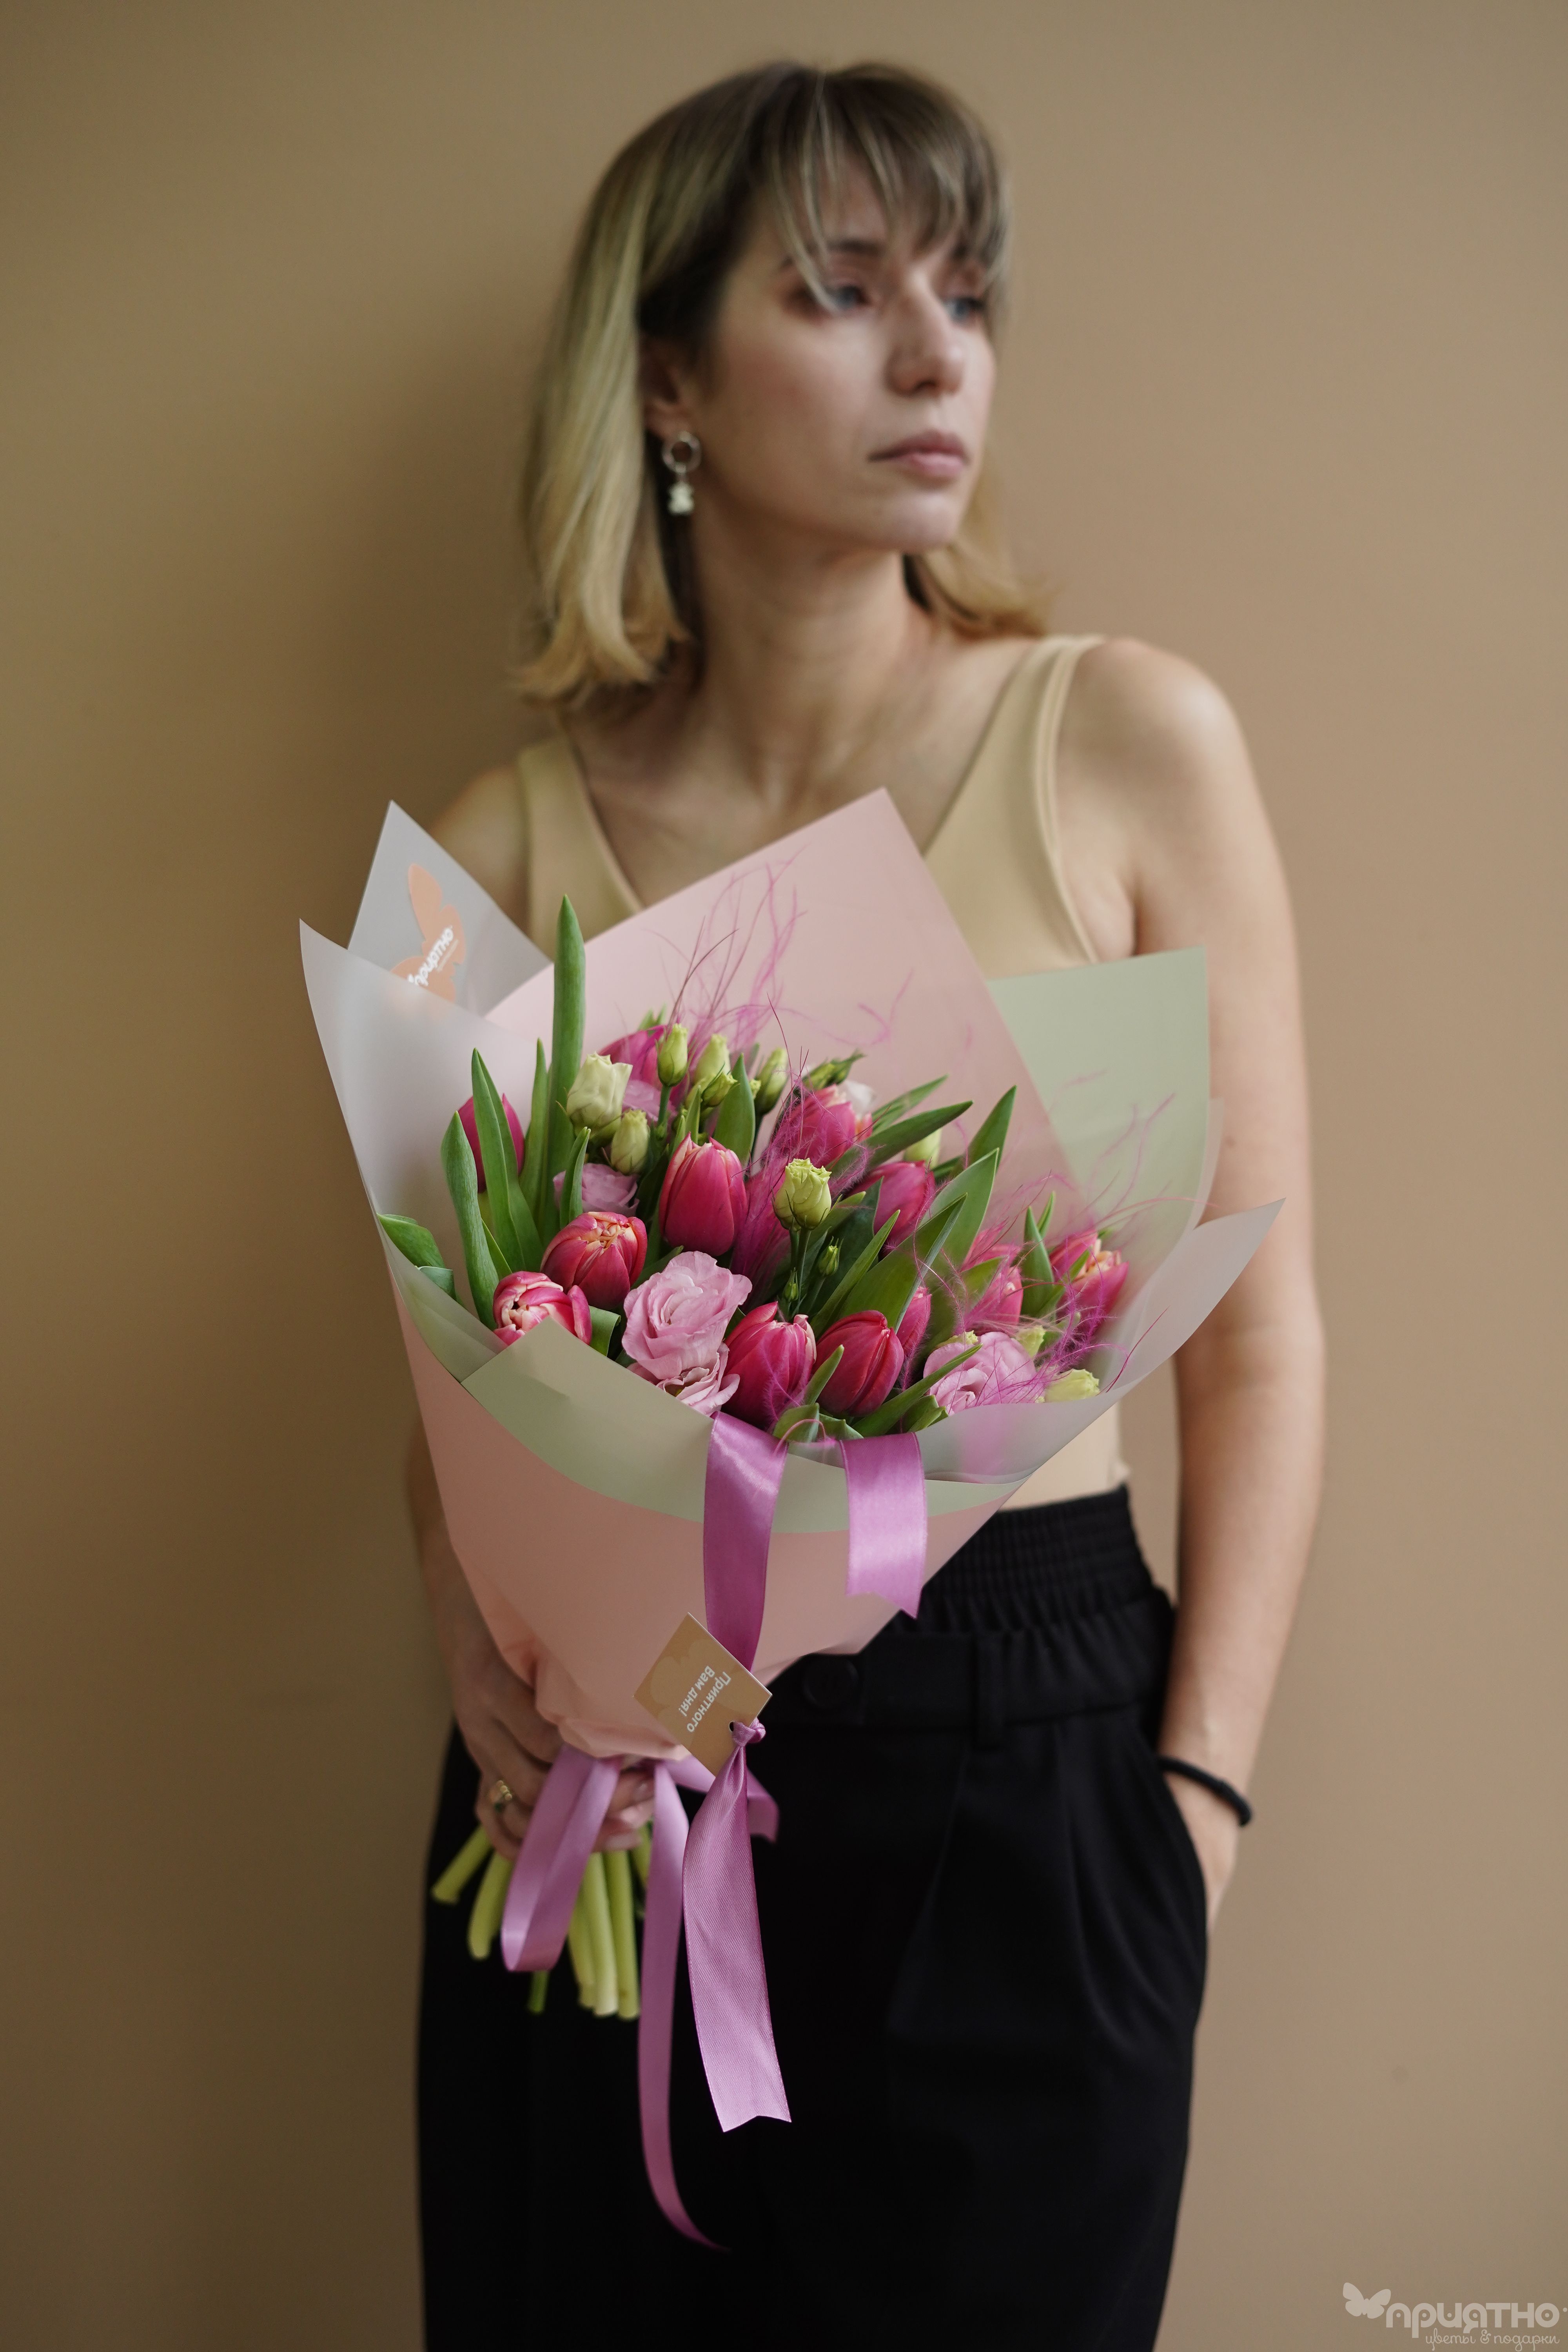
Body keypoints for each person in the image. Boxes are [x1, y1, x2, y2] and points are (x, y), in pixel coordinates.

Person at [409, 60, 1323, 2352]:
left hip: (1029, 1768)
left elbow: (1257, 1339)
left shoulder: (1127, 741)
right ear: (667, 382)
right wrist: (472, 1649)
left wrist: (1192, 1820)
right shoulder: (501, 845)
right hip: (605, 1805)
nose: (940, 357)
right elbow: (448, 1385)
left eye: (969, 295)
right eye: (841, 291)